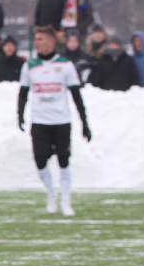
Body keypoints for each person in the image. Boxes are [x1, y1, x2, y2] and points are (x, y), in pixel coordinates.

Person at [17, 25, 91, 217]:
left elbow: (76, 96)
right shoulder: (29, 66)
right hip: (40, 122)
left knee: (64, 161)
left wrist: (85, 123)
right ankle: (51, 194)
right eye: (36, 39)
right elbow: (23, 93)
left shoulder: (65, 65)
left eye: (41, 39)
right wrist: (20, 114)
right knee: (40, 161)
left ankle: (65, 202)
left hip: (61, 122)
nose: (37, 43)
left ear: (51, 41)